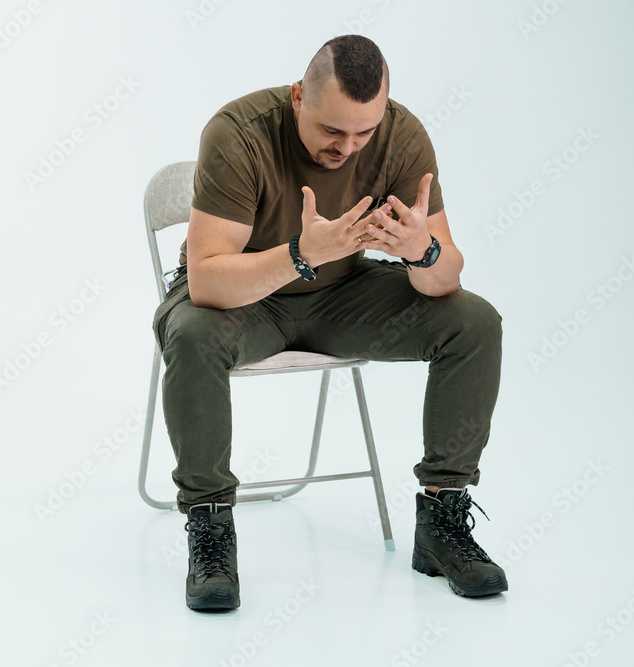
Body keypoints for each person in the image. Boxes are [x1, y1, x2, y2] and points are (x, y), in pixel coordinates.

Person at [151, 34, 507, 611]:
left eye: (363, 133)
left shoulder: (401, 136)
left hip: (341, 294)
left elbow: (446, 280)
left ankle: (441, 521)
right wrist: (301, 254)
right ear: (298, 97)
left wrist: (421, 251)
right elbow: (207, 282)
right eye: (332, 131)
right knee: (191, 334)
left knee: (474, 322)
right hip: (244, 302)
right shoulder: (238, 133)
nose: (348, 147)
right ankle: (210, 525)